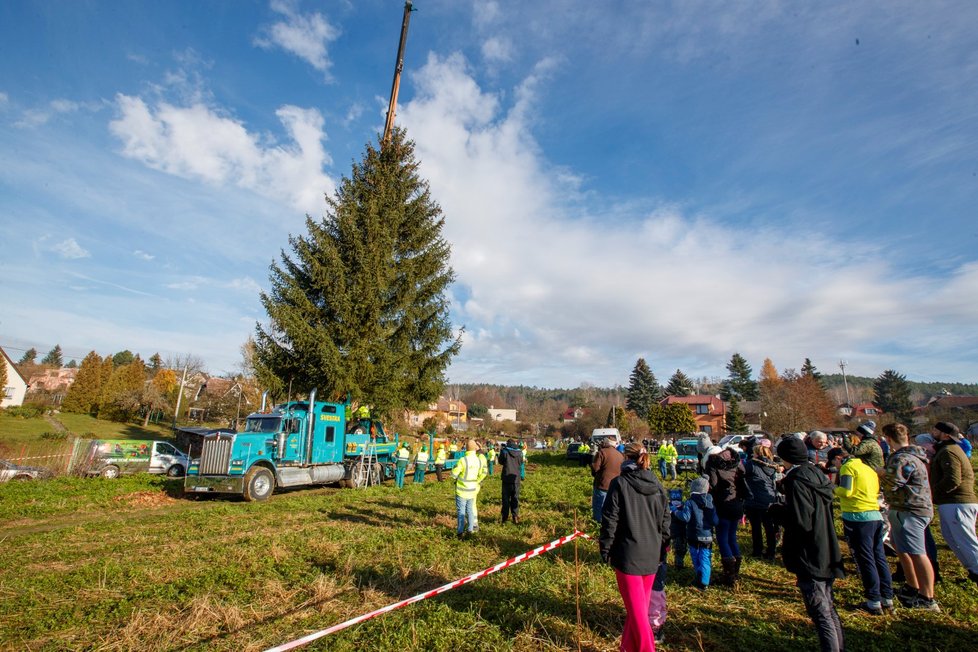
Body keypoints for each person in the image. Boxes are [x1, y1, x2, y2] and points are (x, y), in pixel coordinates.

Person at [774, 436, 845, 652]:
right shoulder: (815, 474)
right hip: (826, 545)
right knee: (828, 605)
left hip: (809, 550)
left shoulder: (797, 481)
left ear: (786, 457)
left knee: (819, 608)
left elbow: (802, 520)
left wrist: (778, 512)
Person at [599, 443, 670, 652]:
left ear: (625, 459)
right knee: (636, 609)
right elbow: (666, 519)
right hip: (652, 554)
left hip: (628, 554)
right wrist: (664, 546)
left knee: (639, 614)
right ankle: (627, 647)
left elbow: (610, 519)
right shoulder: (657, 484)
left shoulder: (619, 483)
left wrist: (605, 548)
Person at [880, 423, 939, 611]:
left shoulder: (903, 459)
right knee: (902, 549)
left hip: (912, 509)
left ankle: (928, 597)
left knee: (917, 552)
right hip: (902, 508)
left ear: (888, 439)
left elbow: (892, 483)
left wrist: (878, 472)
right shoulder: (910, 455)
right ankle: (912, 586)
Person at [828, 447, 893, 615]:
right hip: (875, 515)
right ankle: (887, 597)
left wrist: (831, 487)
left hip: (857, 516)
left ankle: (873, 600)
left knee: (865, 559)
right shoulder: (868, 468)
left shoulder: (847, 467)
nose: (834, 465)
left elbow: (847, 491)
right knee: (879, 556)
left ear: (838, 458)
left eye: (833, 462)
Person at [930, 421, 978, 587]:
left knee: (965, 540)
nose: (932, 431)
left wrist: (934, 491)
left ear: (944, 434)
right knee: (954, 539)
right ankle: (973, 571)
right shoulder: (947, 449)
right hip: (953, 502)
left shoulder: (949, 451)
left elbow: (953, 479)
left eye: (935, 429)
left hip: (957, 502)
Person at [705, 445, 747, 586]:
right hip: (736, 502)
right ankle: (735, 571)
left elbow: (714, 483)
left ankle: (729, 575)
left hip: (722, 503)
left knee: (723, 538)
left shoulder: (713, 463)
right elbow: (743, 474)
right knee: (732, 536)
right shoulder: (736, 459)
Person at [674, 477, 717, 591]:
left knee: (695, 556)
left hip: (694, 535)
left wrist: (676, 511)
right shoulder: (710, 502)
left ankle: (699, 576)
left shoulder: (690, 502)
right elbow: (715, 520)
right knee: (705, 557)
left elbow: (685, 517)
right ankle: (705, 581)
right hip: (707, 535)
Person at [744, 443, 780, 560]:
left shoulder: (751, 464)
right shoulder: (773, 465)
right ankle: (771, 551)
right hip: (769, 499)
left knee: (756, 527)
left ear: (756, 454)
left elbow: (742, 475)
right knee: (769, 526)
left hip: (754, 499)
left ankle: (757, 550)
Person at [451, 440, 487, 537]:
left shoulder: (463, 460)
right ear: (475, 448)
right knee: (470, 510)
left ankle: (460, 532)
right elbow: (483, 473)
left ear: (466, 448)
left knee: (461, 511)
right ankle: (470, 530)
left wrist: (454, 471)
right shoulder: (479, 460)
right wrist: (477, 481)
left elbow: (454, 475)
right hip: (472, 490)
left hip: (462, 491)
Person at [591, 437, 625, 522]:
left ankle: (598, 524)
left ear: (606, 443)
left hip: (602, 485)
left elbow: (595, 469)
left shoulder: (602, 452)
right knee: (612, 507)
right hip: (615, 486)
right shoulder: (620, 455)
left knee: (599, 506)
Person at [498, 439, 523, 524]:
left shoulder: (505, 451)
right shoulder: (520, 452)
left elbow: (500, 461)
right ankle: (515, 516)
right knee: (515, 498)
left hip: (506, 478)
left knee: (505, 499)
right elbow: (521, 463)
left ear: (508, 443)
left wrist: (501, 451)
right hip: (516, 478)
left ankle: (504, 518)